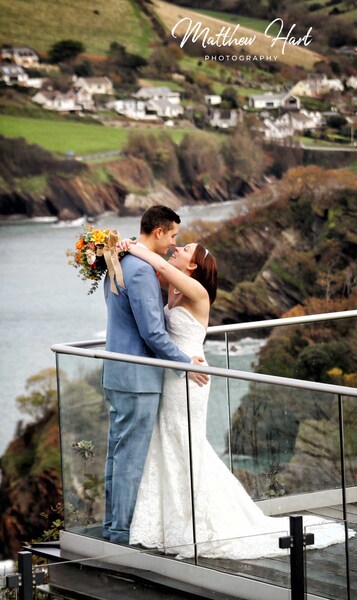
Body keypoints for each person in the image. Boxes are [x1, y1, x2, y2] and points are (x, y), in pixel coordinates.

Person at [118, 239, 355, 559]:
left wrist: (132, 246)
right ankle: (170, 523)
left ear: (193, 266)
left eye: (185, 249)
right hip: (175, 372)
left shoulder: (197, 293)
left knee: (188, 443)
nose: (177, 249)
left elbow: (158, 264)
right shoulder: (173, 289)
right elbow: (150, 276)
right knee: (170, 442)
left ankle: (200, 522)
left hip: (193, 376)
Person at [102, 205, 208, 544]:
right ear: (159, 232)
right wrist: (185, 363)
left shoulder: (120, 260)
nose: (175, 243)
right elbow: (152, 332)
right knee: (130, 457)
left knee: (117, 453)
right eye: (173, 235)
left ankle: (112, 525)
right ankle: (119, 534)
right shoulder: (141, 271)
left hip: (119, 371)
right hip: (139, 377)